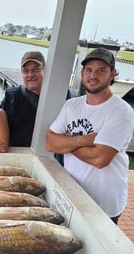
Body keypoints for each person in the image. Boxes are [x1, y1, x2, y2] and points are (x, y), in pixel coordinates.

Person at [46, 47, 134, 224]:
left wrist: (67, 144)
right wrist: (86, 139)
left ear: (113, 74)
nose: (93, 75)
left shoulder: (121, 111)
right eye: (89, 70)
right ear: (82, 72)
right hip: (73, 193)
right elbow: (50, 142)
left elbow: (100, 159)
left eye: (101, 70)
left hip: (104, 203)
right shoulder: (71, 105)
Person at [0, 51, 74, 150]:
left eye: (35, 69)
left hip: (51, 157)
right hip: (18, 155)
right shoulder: (12, 96)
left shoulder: (63, 96)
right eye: (26, 71)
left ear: (45, 70)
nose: (30, 75)